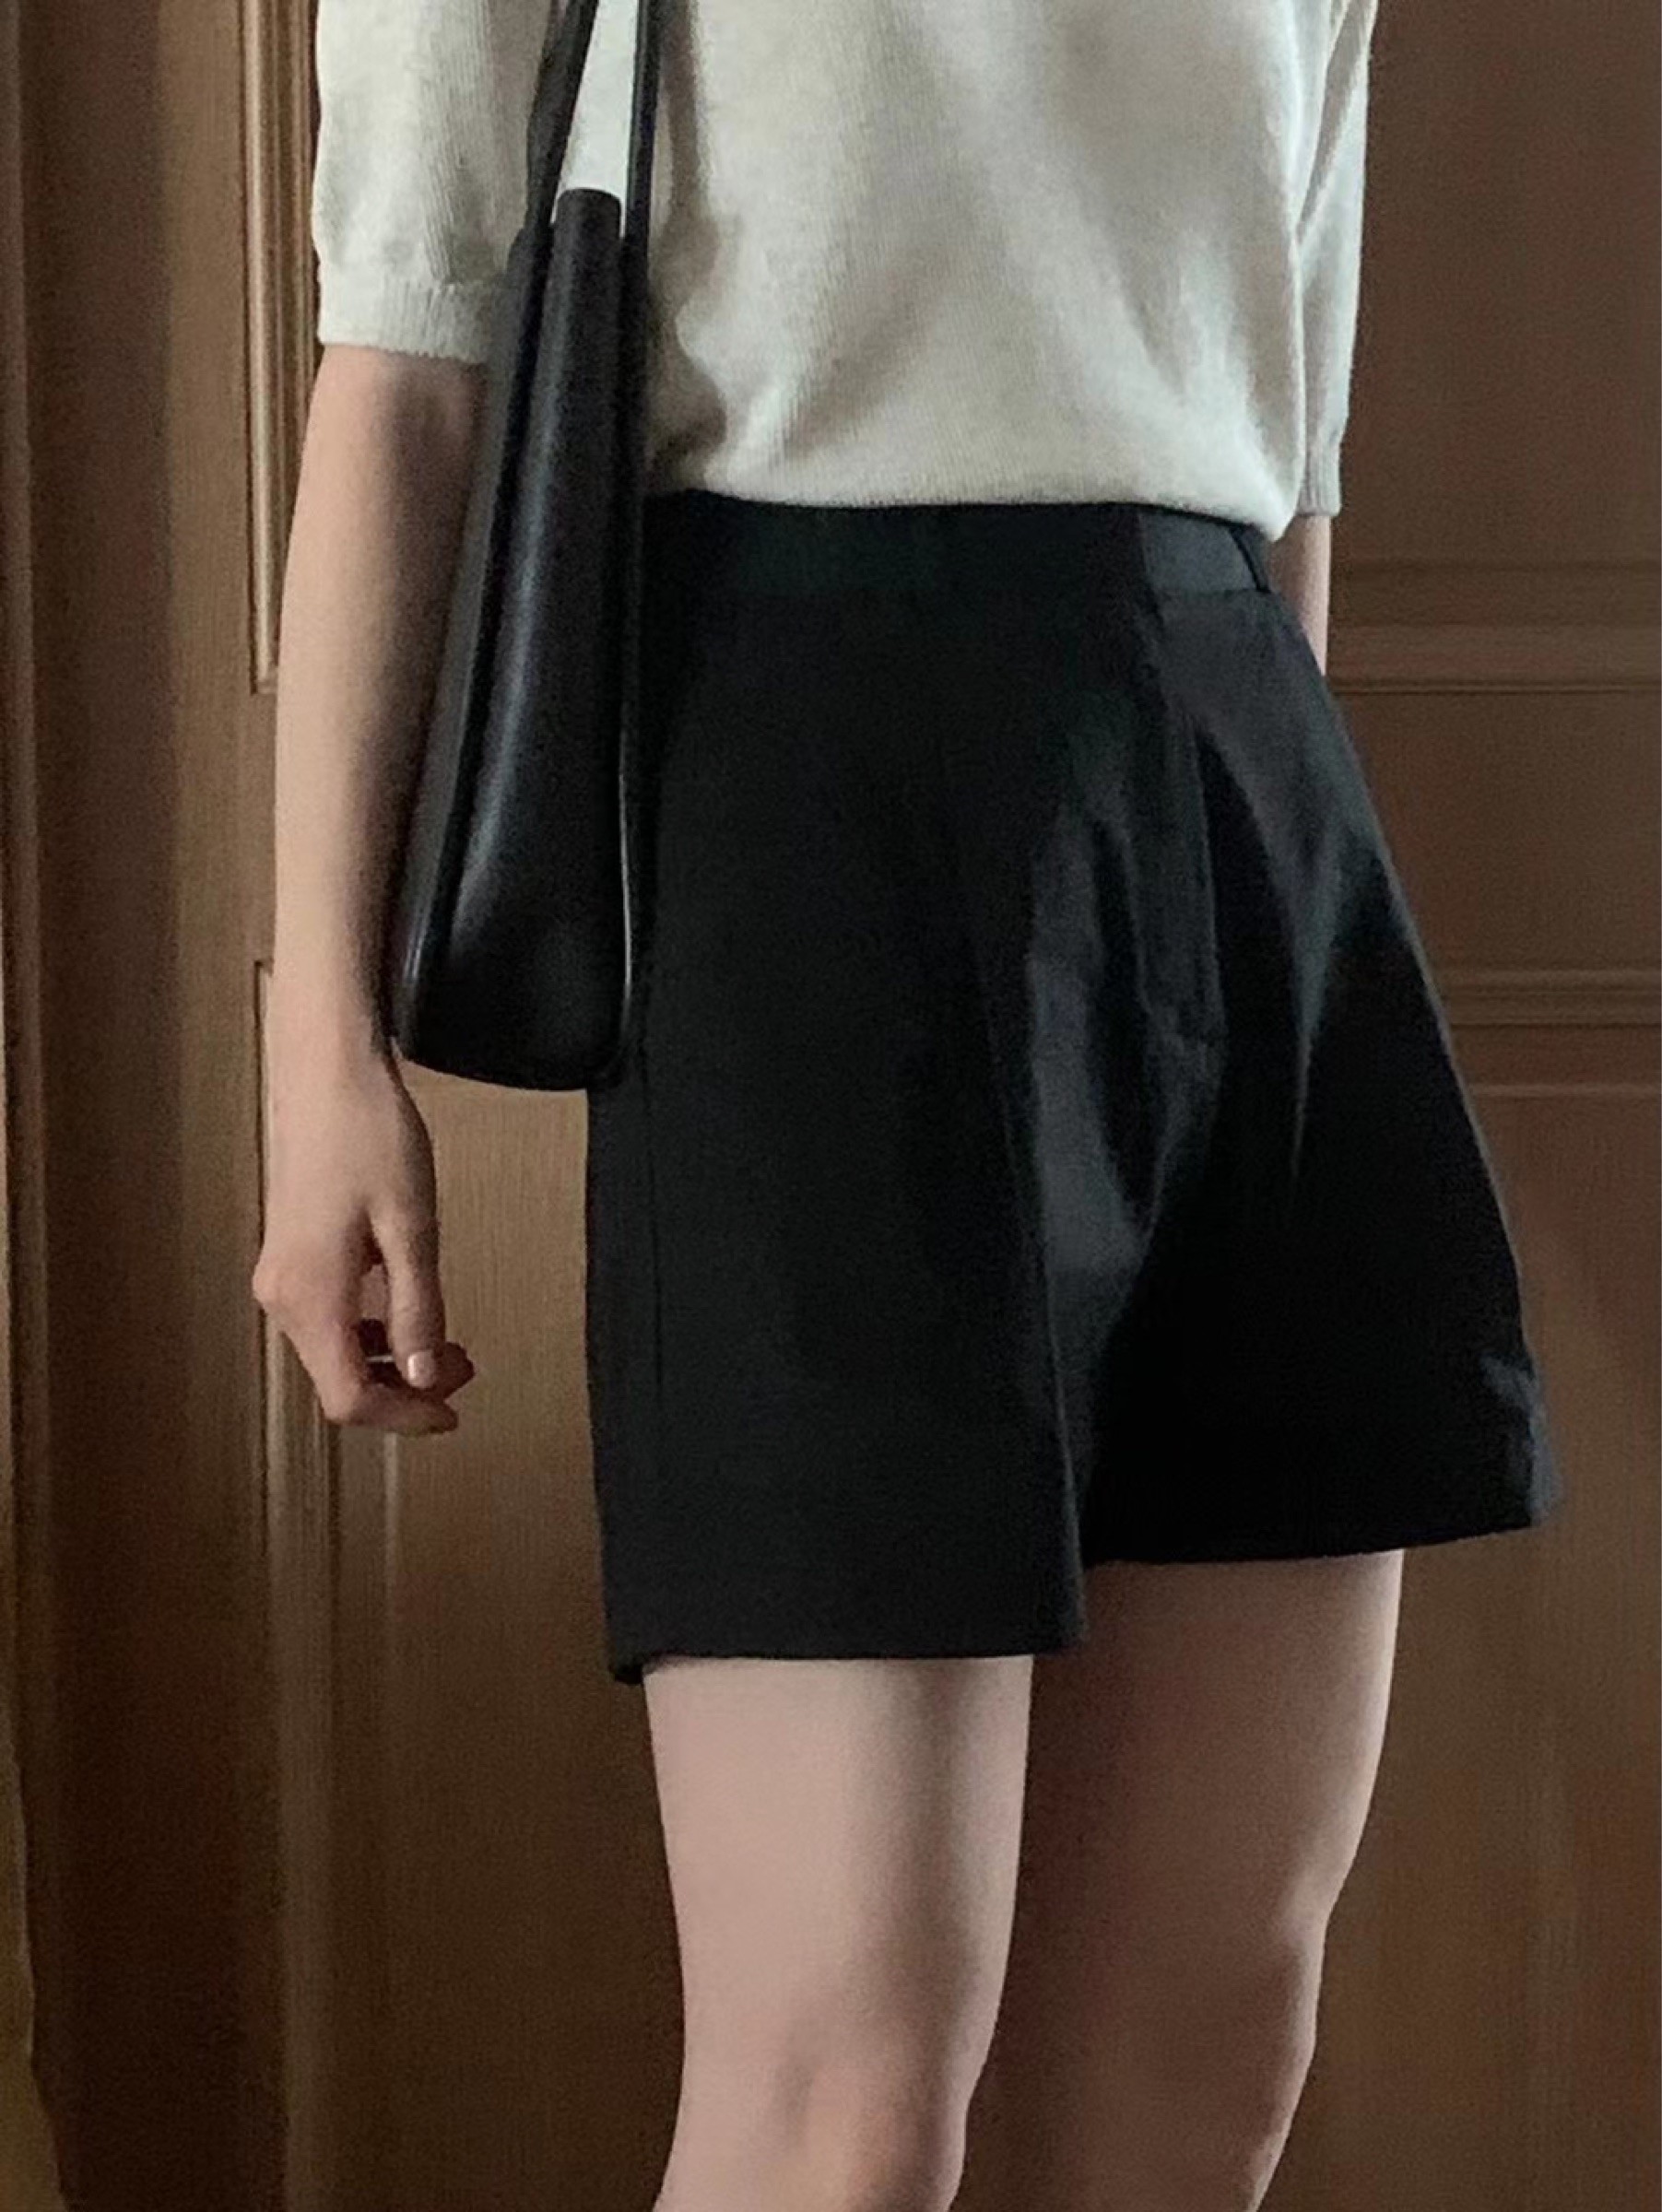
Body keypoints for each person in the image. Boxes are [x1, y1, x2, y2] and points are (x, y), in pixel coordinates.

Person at [253, 4, 1562, 2206]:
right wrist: (321, 1051)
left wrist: (1252, 889)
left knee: (1211, 2041)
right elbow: (403, 369)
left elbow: (1288, 411)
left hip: (1238, 772)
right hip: (793, 784)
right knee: (842, 2095)